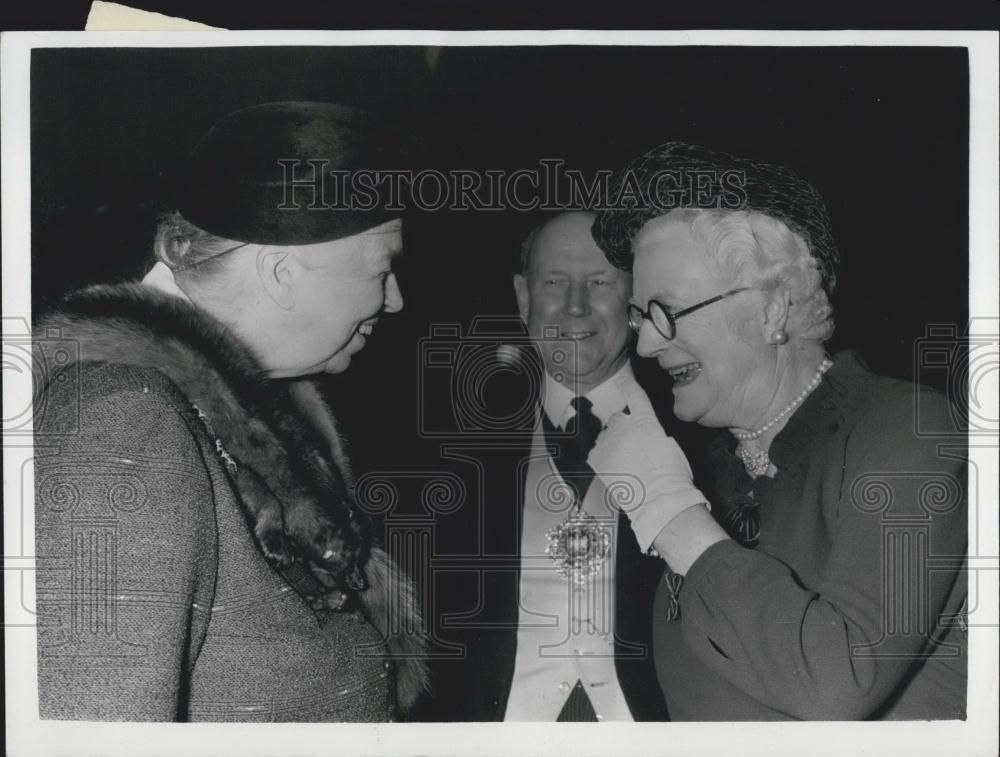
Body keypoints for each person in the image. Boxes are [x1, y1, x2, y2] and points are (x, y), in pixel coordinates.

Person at [33, 101, 427, 722]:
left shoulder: (262, 419)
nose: (396, 300)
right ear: (281, 271)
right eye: (384, 269)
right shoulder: (120, 425)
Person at [583, 141, 968, 720]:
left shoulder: (905, 430)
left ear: (772, 310)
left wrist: (669, 513)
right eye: (640, 317)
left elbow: (840, 679)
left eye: (665, 312)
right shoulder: (708, 469)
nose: (645, 343)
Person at [422, 211, 670, 721]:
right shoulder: (449, 451)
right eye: (555, 281)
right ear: (523, 296)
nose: (575, 307)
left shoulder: (699, 440)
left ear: (636, 298)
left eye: (599, 282)